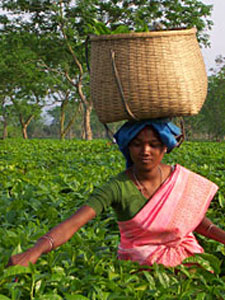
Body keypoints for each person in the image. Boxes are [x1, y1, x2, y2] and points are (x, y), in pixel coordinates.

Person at [7, 119, 225, 269]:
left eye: (154, 144)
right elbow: (73, 223)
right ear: (128, 148)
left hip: (189, 264)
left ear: (165, 148)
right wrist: (33, 252)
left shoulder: (179, 179)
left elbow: (197, 222)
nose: (145, 151)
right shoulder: (118, 187)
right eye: (137, 144)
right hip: (141, 271)